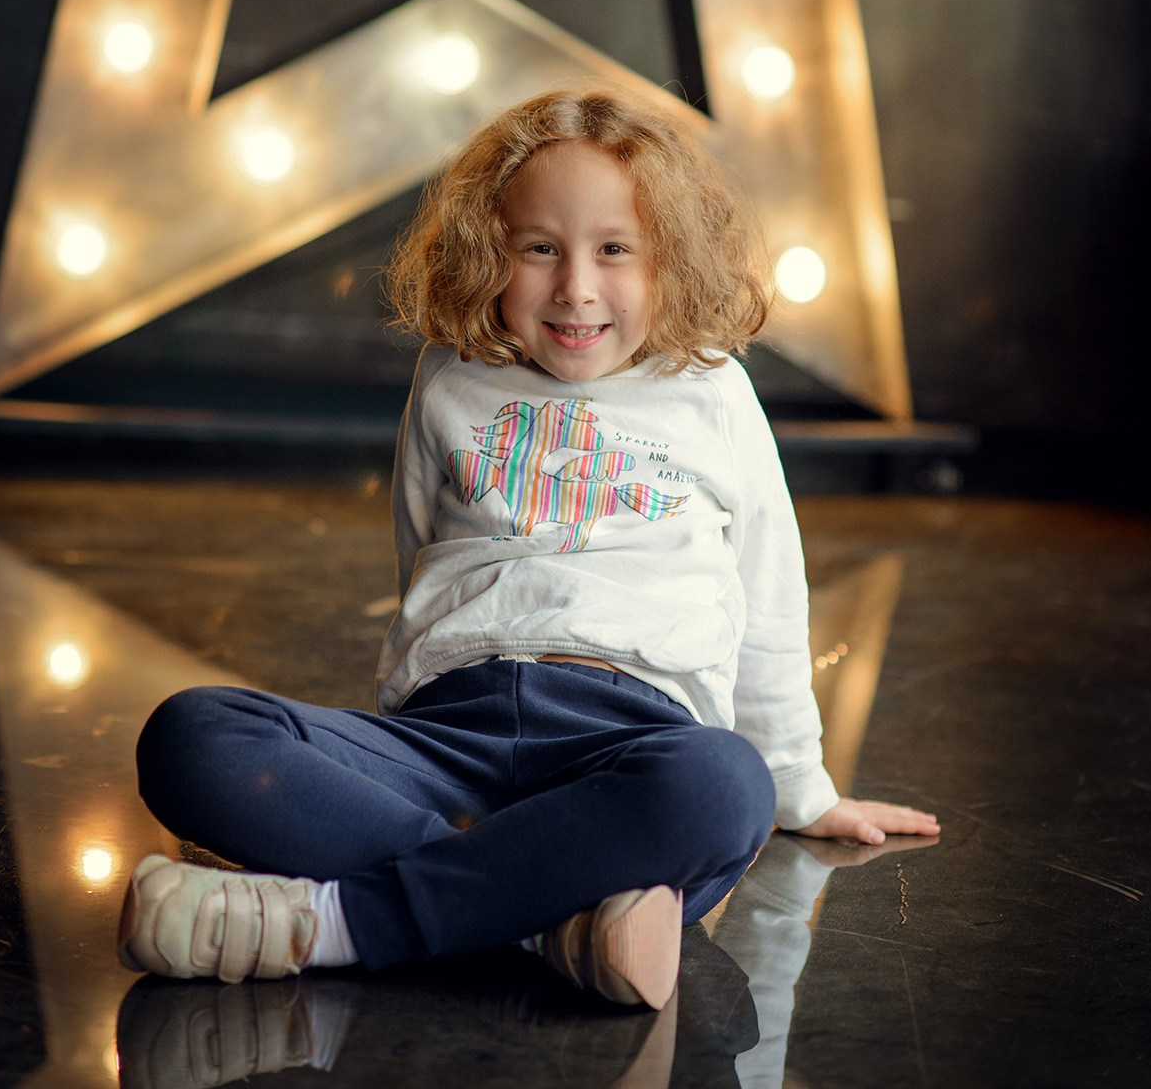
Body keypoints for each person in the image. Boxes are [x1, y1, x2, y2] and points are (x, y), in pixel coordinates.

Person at [118, 88, 939, 1009]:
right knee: (194, 736)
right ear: (487, 252)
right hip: (447, 735)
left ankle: (345, 923)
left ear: (671, 257)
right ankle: (551, 912)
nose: (575, 287)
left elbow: (769, 594)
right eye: (538, 248)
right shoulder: (450, 374)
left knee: (721, 790)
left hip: (630, 741)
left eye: (614, 250)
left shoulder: (710, 393)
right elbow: (419, 551)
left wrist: (797, 781)